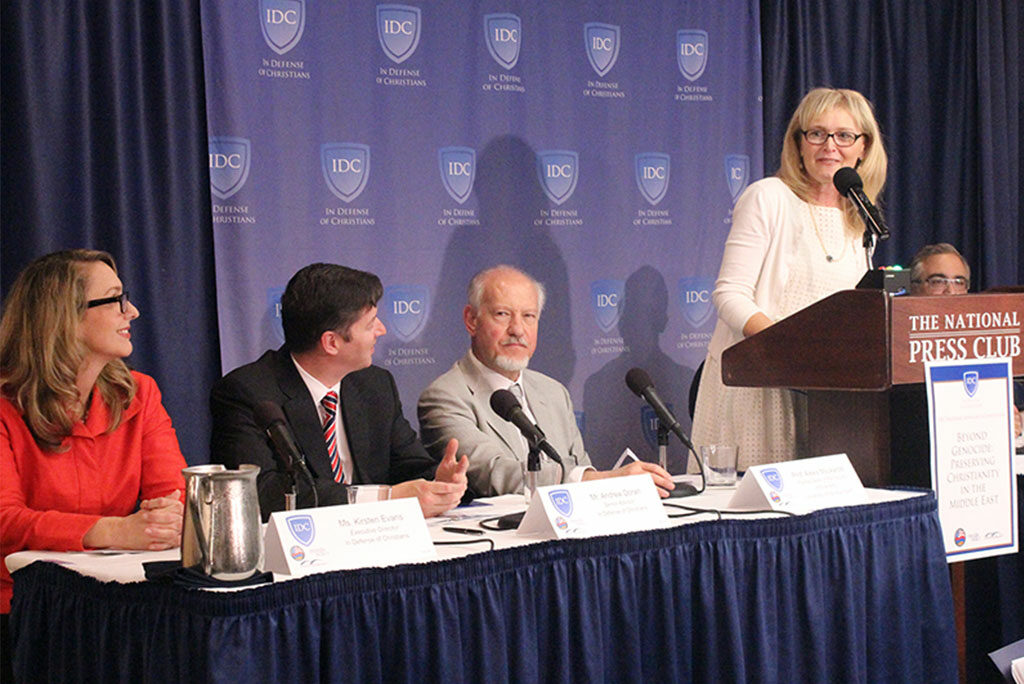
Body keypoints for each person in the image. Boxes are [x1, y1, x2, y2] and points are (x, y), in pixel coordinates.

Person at [0, 250, 186, 677]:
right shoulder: (6, 404)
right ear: (64, 317)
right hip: (18, 614)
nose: (132, 311)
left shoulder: (139, 392)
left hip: (113, 607)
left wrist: (168, 517)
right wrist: (115, 531)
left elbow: (174, 492)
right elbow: (5, 521)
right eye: (116, 299)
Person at [691, 87, 888, 470]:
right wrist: (789, 352)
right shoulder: (768, 197)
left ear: (863, 147)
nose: (830, 146)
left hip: (828, 393)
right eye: (816, 133)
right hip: (761, 385)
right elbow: (730, 295)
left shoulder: (860, 218)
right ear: (798, 143)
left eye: (844, 136)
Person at [210, 263, 468, 520]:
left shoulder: (375, 385)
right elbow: (260, 493)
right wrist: (384, 498)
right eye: (370, 324)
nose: (382, 330)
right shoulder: (246, 393)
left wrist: (437, 481)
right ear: (331, 342)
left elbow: (408, 464)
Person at [418, 265, 675, 497]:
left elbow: (581, 466)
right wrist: (605, 480)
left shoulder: (554, 392)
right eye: (502, 314)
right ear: (471, 320)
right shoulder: (444, 397)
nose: (517, 329)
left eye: (528, 316)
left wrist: (596, 483)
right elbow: (496, 475)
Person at [906, 243, 1021, 440]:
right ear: (914, 287)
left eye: (959, 282)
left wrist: (1011, 416)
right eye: (938, 281)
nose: (950, 291)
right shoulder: (901, 344)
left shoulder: (984, 340)